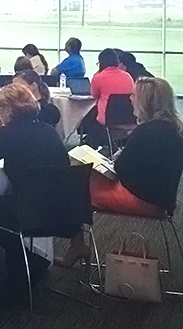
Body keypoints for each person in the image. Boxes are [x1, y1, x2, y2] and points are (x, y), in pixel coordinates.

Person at [60, 77, 183, 266]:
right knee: (80, 182)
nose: (130, 99)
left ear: (146, 101)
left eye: (134, 95)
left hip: (142, 198)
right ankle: (77, 247)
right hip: (161, 197)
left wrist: (116, 158)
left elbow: (121, 169)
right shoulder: (173, 128)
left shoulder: (147, 132)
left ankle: (77, 246)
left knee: (74, 188)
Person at [0, 83, 69, 279]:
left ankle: (24, 257)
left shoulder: (9, 133)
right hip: (65, 208)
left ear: (8, 109)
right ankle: (23, 260)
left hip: (31, 211)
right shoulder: (49, 130)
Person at [91, 48, 135, 126]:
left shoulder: (98, 78)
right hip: (128, 117)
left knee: (90, 114)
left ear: (101, 63)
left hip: (107, 118)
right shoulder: (127, 76)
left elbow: (94, 95)